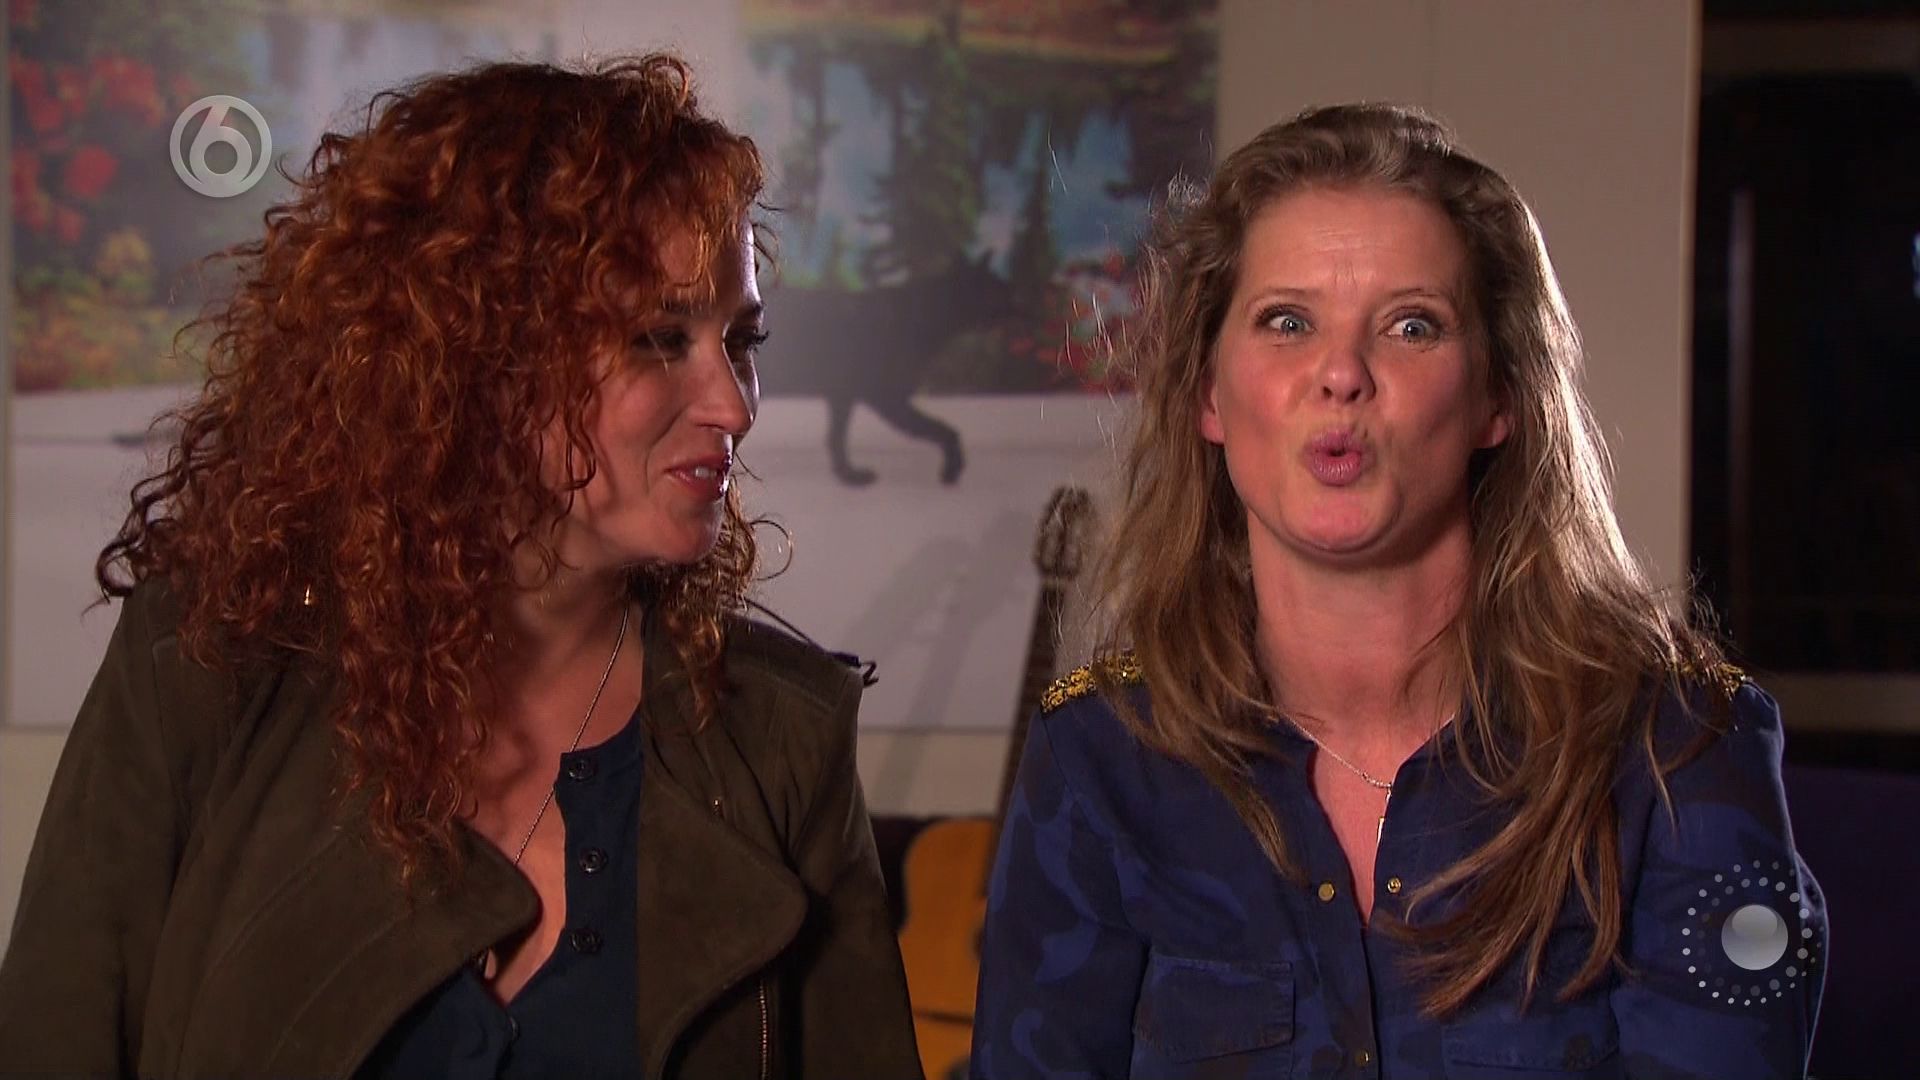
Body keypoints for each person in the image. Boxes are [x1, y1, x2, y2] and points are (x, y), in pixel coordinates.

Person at [0, 55, 921, 1079]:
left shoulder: (779, 738)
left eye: (739, 339)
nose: (735, 403)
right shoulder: (210, 666)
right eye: (661, 339)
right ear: (478, 359)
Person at [972, 104, 1824, 1078]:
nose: (1341, 373)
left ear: (1499, 397)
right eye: (1287, 322)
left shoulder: (1679, 748)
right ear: (1209, 393)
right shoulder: (1102, 761)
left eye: (1411, 325)